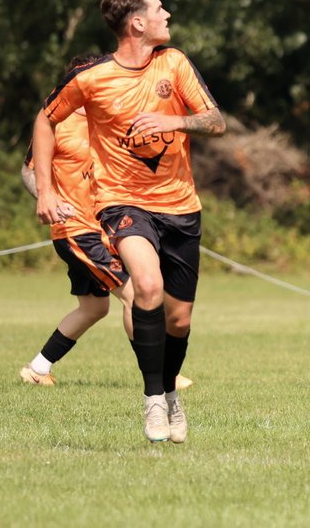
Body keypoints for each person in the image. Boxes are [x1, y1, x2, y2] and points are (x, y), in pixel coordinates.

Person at [33, 0, 224, 443]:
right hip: (121, 203)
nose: (167, 15)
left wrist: (173, 119)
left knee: (179, 320)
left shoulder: (174, 64)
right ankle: (153, 401)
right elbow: (45, 118)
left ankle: (171, 397)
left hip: (181, 206)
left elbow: (215, 121)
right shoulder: (90, 78)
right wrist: (45, 189)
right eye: (159, 9)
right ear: (137, 23)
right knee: (146, 285)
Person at [18, 54, 193, 391]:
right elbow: (28, 171)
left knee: (94, 307)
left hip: (106, 228)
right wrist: (47, 197)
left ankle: (38, 367)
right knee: (136, 295)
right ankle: (162, 375)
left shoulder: (109, 120)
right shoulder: (55, 123)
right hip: (76, 231)